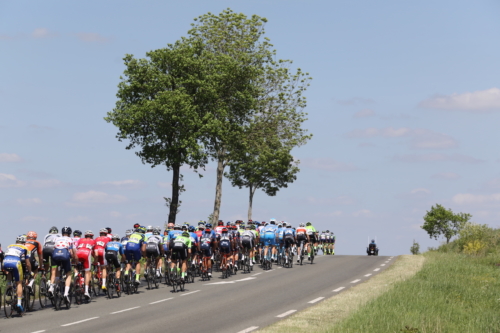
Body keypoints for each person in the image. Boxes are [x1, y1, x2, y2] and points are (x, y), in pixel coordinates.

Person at [3, 235, 32, 313]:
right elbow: (28, 263)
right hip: (15, 262)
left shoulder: (10, 246)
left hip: (5, 262)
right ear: (24, 242)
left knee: (9, 272)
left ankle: (9, 287)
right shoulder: (25, 248)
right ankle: (19, 304)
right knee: (19, 283)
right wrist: (30, 272)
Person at [49, 226, 75, 303]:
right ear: (69, 233)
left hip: (55, 255)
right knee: (69, 274)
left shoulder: (56, 238)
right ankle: (66, 294)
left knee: (54, 272)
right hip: (64, 255)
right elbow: (71, 251)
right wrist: (73, 259)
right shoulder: (70, 239)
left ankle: (51, 287)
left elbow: (54, 247)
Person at [76, 230, 96, 299]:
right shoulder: (93, 241)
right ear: (92, 236)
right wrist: (95, 261)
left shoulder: (80, 240)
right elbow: (95, 253)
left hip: (78, 254)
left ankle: (77, 278)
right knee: (87, 272)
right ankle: (86, 291)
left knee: (77, 267)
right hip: (86, 254)